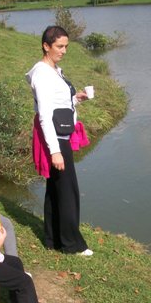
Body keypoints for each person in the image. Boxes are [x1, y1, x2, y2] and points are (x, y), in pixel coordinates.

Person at [26, 25, 93, 256]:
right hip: (55, 138)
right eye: (59, 46)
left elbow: (57, 102)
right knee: (67, 190)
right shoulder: (42, 74)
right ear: (46, 46)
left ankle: (53, 238)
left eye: (66, 46)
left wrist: (76, 99)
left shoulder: (53, 70)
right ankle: (71, 244)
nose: (64, 51)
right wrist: (55, 151)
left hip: (59, 134)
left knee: (56, 188)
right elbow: (45, 114)